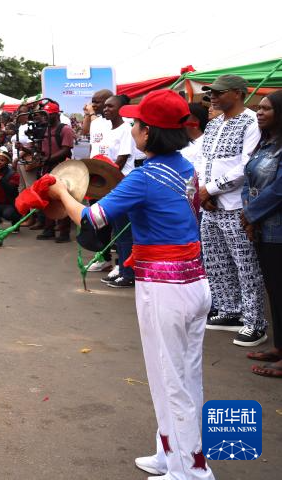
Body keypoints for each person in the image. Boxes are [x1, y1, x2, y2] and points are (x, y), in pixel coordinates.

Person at [46, 90, 214, 480]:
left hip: (167, 288)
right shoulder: (183, 167)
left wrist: (60, 192)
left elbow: (92, 220)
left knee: (172, 381)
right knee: (180, 377)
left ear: (148, 133)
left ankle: (191, 472)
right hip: (191, 281)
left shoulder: (147, 175)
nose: (132, 128)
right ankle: (172, 453)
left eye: (136, 123)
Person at [198, 74, 267, 346]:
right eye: (211, 92)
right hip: (210, 206)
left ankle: (255, 323)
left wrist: (210, 189)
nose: (212, 97)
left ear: (238, 93)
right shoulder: (214, 124)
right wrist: (203, 192)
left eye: (219, 92)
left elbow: (246, 166)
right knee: (216, 262)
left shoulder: (251, 122)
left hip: (237, 207)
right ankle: (230, 311)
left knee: (246, 266)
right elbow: (203, 161)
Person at [242, 90, 282, 378]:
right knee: (274, 292)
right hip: (260, 229)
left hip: (278, 230)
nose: (259, 112)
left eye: (266, 109)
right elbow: (249, 181)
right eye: (259, 108)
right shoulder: (265, 145)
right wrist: (248, 216)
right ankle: (280, 347)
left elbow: (279, 190)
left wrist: (251, 214)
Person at [99, 95, 136, 288]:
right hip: (111, 186)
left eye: (110, 106)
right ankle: (121, 269)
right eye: (104, 106)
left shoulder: (126, 131)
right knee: (118, 233)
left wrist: (102, 178)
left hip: (123, 184)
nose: (106, 109)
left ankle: (129, 273)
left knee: (125, 232)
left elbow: (120, 161)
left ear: (122, 109)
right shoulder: (109, 130)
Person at [35, 101, 75, 243]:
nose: (45, 118)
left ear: (56, 114)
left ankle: (64, 232)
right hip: (47, 167)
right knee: (47, 198)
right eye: (44, 115)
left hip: (62, 167)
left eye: (48, 115)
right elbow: (42, 149)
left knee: (62, 199)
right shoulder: (44, 130)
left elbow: (66, 149)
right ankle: (48, 229)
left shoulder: (65, 129)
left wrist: (48, 158)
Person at [83, 89, 115, 156]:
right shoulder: (95, 122)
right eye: (92, 102)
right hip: (96, 164)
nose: (93, 105)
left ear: (109, 102)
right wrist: (87, 114)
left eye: (97, 102)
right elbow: (85, 132)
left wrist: (91, 113)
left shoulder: (117, 122)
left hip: (111, 165)